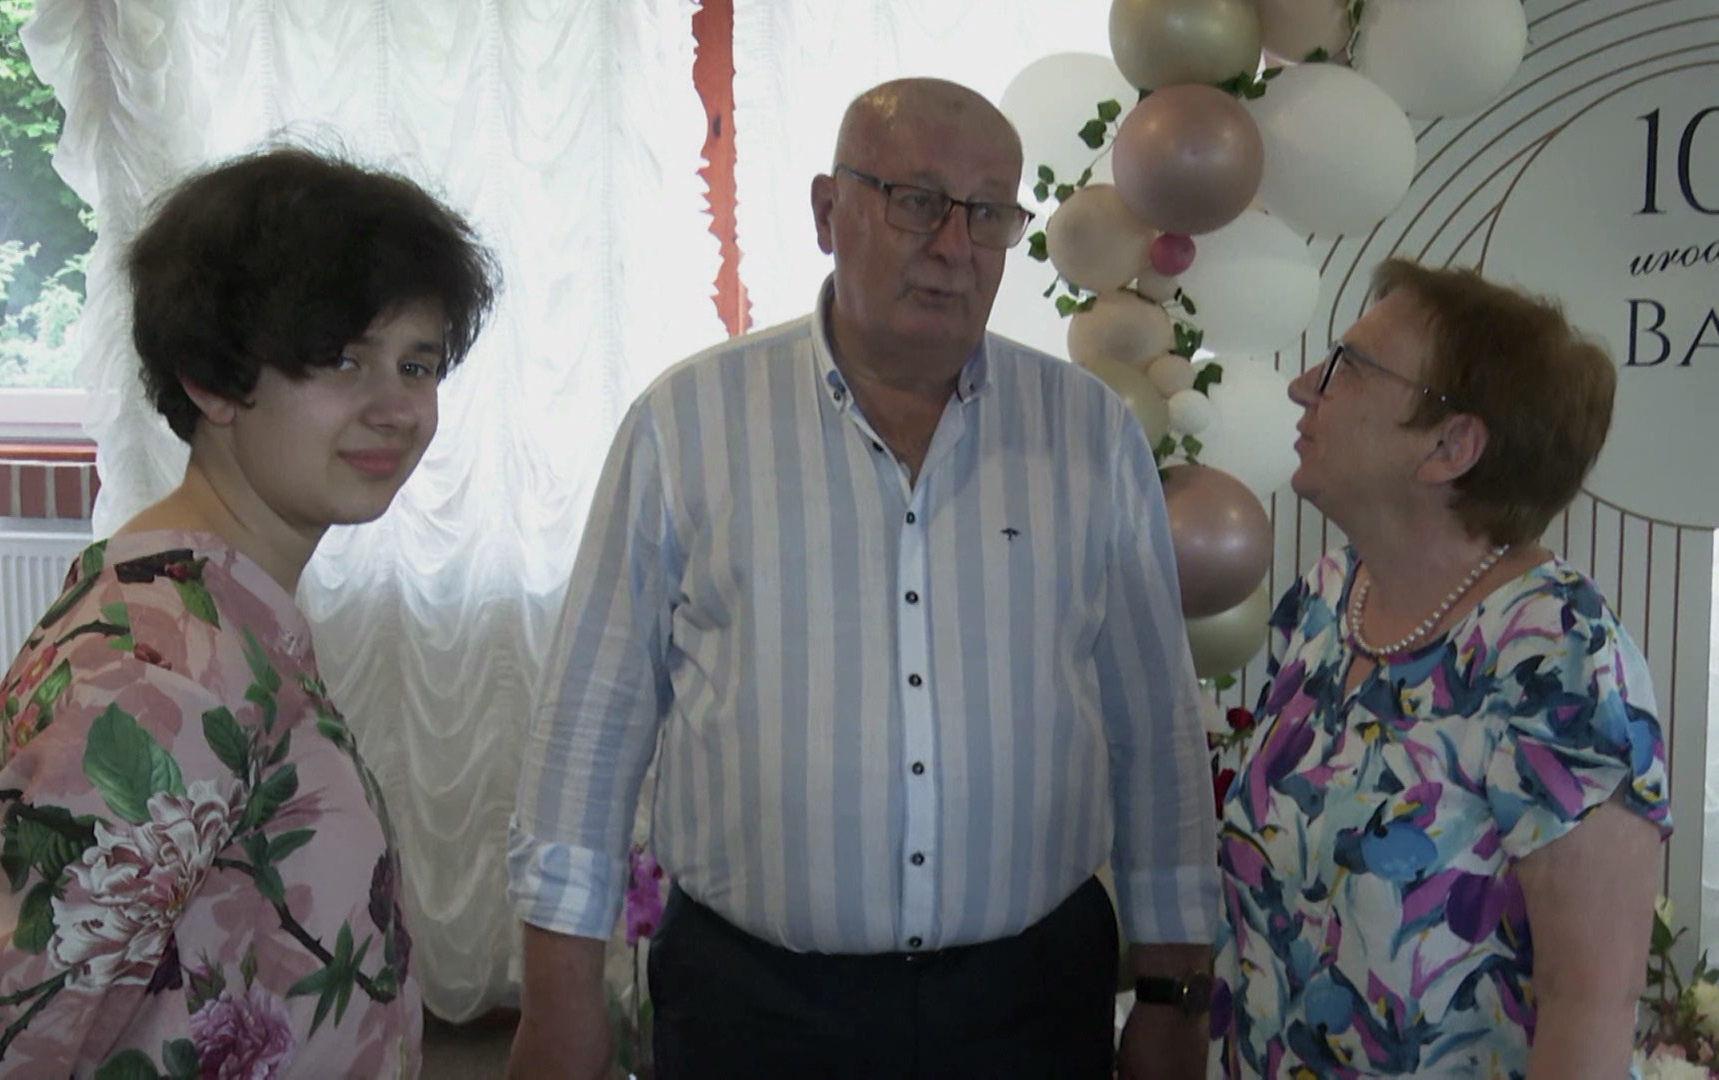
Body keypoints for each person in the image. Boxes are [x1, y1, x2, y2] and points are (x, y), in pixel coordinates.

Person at [506, 77, 1218, 1080]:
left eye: (988, 213)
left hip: (1029, 1002)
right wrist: (559, 1001)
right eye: (918, 201)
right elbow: (590, 729)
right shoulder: (688, 425)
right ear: (826, 211)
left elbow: (1157, 734)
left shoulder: (1090, 435)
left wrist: (1175, 999)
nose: (954, 245)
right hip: (755, 1009)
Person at [0, 146, 497, 1079]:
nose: (399, 409)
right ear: (212, 380)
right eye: (343, 359)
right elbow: (1, 1054)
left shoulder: (219, 608)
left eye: (417, 365)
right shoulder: (156, 674)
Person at [1213, 259, 1672, 1078]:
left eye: (1350, 367)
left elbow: (1590, 1009)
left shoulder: (1558, 652)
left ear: (1450, 445)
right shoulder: (1326, 599)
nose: (1303, 385)